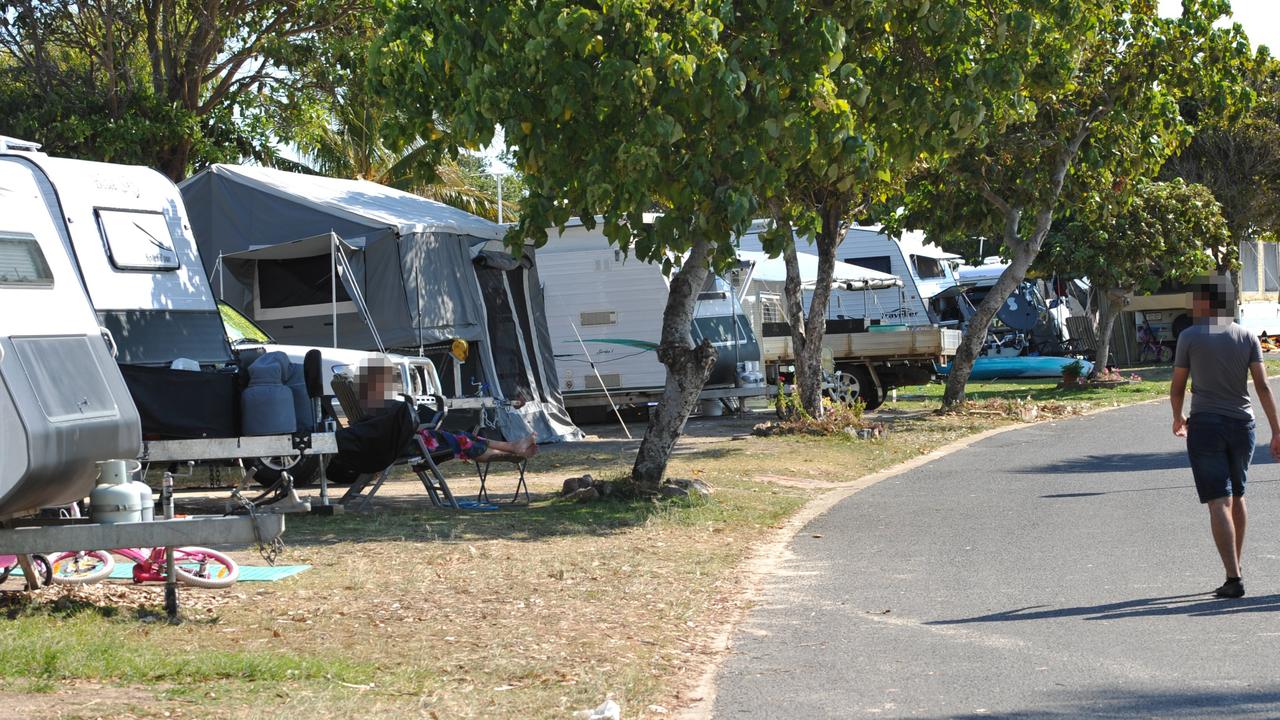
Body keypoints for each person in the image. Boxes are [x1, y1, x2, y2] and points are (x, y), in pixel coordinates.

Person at [1171, 274, 1280, 599]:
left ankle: (1233, 577)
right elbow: (1262, 386)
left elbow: (1177, 387)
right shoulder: (1247, 336)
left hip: (1205, 425)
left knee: (1219, 500)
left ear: (1206, 302)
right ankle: (1236, 567)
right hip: (1242, 425)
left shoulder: (1189, 337)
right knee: (1239, 496)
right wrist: (1276, 430)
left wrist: (1178, 417)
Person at [338, 356, 536, 474]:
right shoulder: (377, 407)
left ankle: (512, 448)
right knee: (461, 440)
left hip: (400, 441)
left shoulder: (369, 407)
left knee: (460, 436)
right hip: (402, 444)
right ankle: (511, 450)